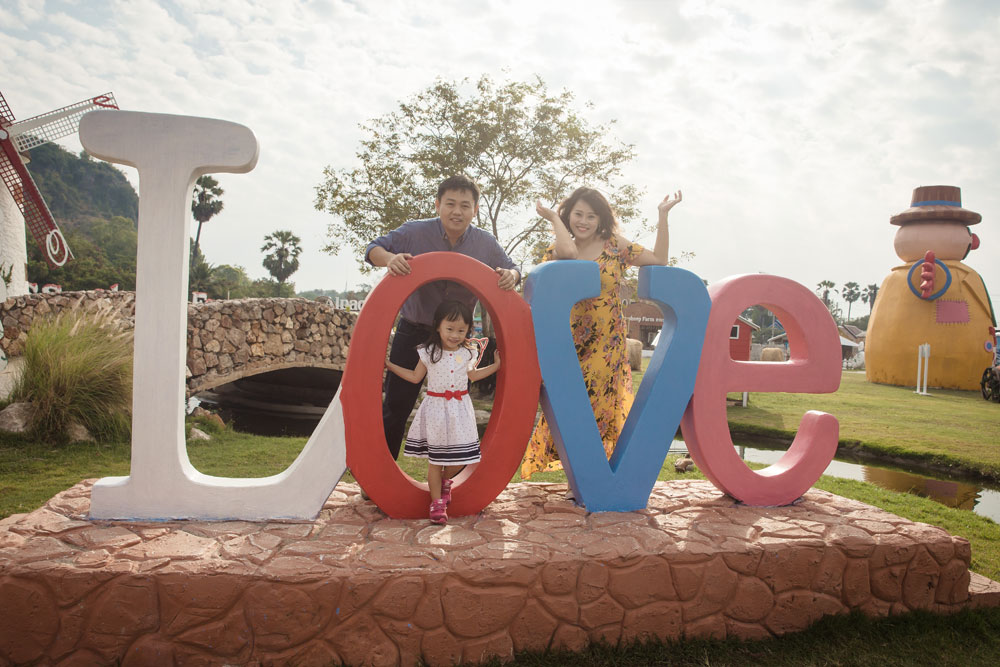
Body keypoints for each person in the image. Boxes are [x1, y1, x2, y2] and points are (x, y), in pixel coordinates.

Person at [520, 187, 682, 481]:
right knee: (568, 407)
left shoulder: (614, 244)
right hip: (569, 341)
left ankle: (592, 477)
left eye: (591, 216)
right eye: (577, 214)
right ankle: (581, 475)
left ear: (601, 219)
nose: (583, 221)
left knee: (598, 407)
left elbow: (658, 259)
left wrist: (662, 215)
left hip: (606, 344)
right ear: (568, 215)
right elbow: (569, 254)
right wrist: (555, 219)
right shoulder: (558, 247)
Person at [366, 175, 520, 463]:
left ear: (475, 210)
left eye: (465, 205)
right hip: (413, 330)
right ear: (437, 204)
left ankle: (454, 477)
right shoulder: (415, 232)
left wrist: (510, 276)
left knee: (457, 406)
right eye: (450, 203)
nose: (457, 211)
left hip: (456, 340)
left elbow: (511, 268)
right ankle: (379, 476)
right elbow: (374, 247)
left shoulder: (484, 243)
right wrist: (389, 259)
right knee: (396, 405)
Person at [385, 300, 500, 524]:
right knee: (436, 460)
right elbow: (414, 377)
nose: (455, 335)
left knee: (461, 459)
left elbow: (473, 375)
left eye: (461, 330)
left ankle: (446, 482)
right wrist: (389, 365)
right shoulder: (429, 352)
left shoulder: (468, 352)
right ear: (438, 326)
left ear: (468, 330)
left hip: (460, 410)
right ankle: (437, 503)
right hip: (436, 408)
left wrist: (496, 366)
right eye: (450, 329)